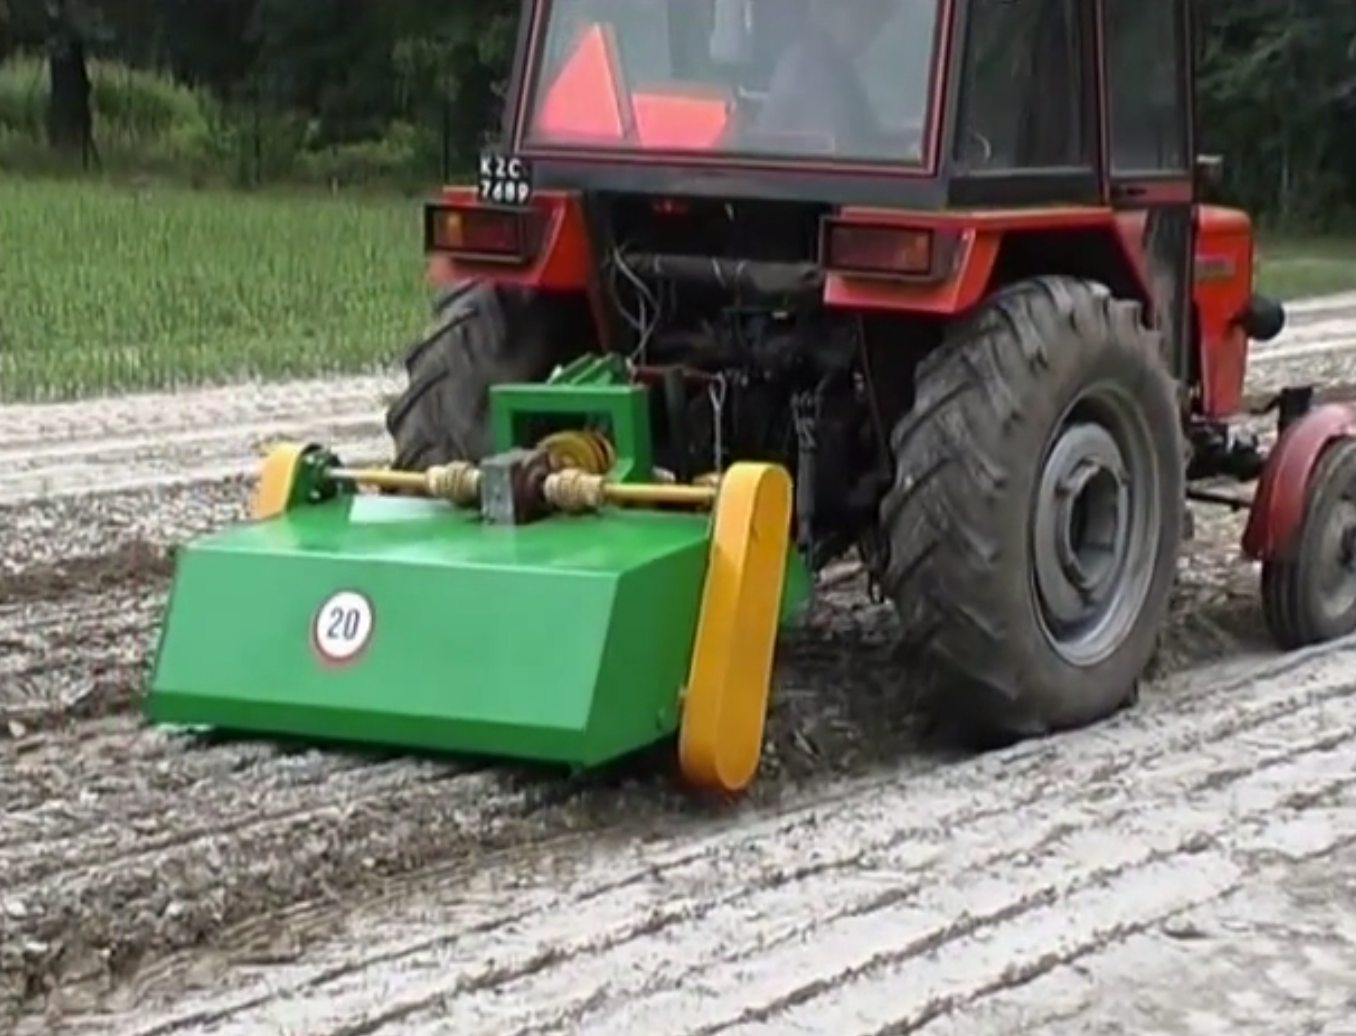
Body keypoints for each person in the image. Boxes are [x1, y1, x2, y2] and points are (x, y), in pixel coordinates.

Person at [752, 0, 901, 155]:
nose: (868, 36)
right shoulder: (804, 64)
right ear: (831, 12)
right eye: (861, 20)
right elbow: (827, 145)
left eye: (875, 26)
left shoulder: (844, 72)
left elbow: (865, 140)